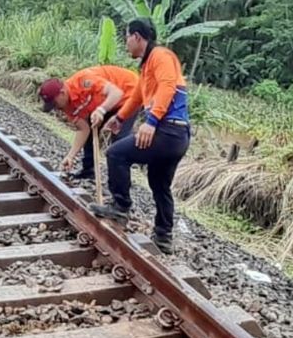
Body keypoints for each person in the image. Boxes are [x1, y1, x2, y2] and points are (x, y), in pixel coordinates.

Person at [89, 19, 191, 255]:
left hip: (167, 130)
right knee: (159, 183)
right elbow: (137, 96)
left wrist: (152, 122)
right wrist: (120, 118)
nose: (125, 43)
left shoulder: (161, 56)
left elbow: (168, 86)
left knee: (116, 154)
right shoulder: (147, 65)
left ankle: (120, 207)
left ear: (137, 37)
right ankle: (164, 236)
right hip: (177, 135)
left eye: (126, 37)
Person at [39, 65, 139, 180]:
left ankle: (120, 188)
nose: (55, 108)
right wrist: (70, 156)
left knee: (119, 141)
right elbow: (83, 129)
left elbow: (116, 93)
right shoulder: (65, 105)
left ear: (62, 93)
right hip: (106, 101)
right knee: (92, 127)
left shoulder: (84, 81)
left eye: (54, 104)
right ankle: (89, 171)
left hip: (130, 93)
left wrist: (101, 110)